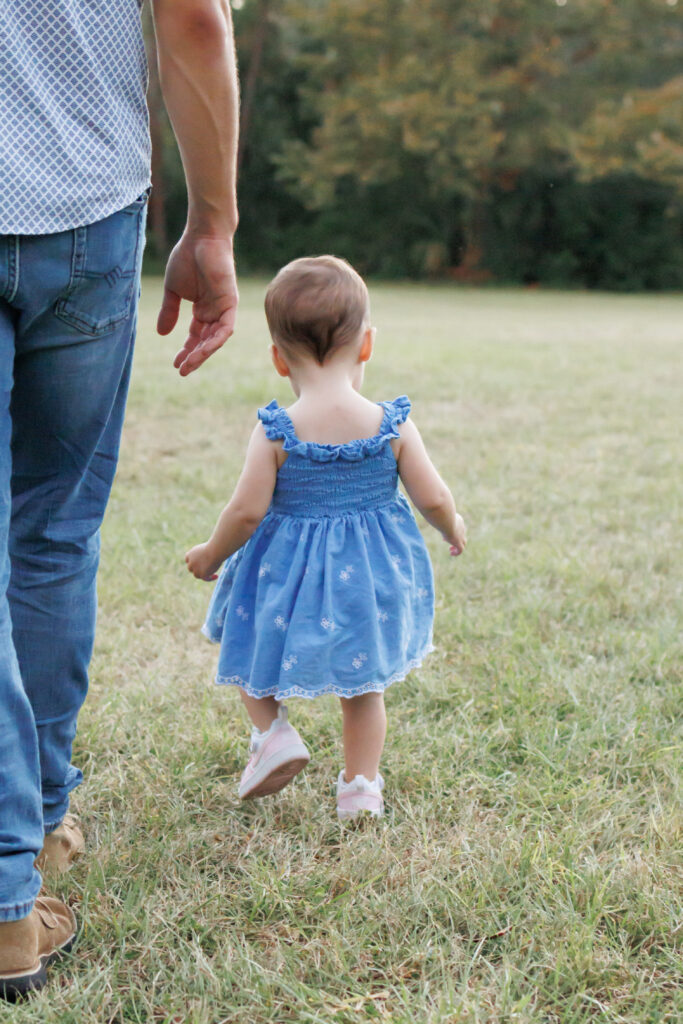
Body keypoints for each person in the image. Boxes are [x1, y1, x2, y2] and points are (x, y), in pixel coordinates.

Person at [0, 0, 239, 1002]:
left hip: (88, 207)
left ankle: (11, 888)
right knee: (52, 533)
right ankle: (34, 838)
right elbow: (192, 16)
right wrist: (213, 221)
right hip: (85, 208)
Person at [185, 256, 466, 819]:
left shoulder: (276, 431)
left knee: (250, 645)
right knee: (364, 690)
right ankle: (361, 788)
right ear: (367, 345)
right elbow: (432, 496)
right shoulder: (392, 424)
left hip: (284, 576)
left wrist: (211, 553)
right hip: (368, 578)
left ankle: (274, 735)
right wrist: (452, 527)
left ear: (275, 357)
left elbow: (245, 511)